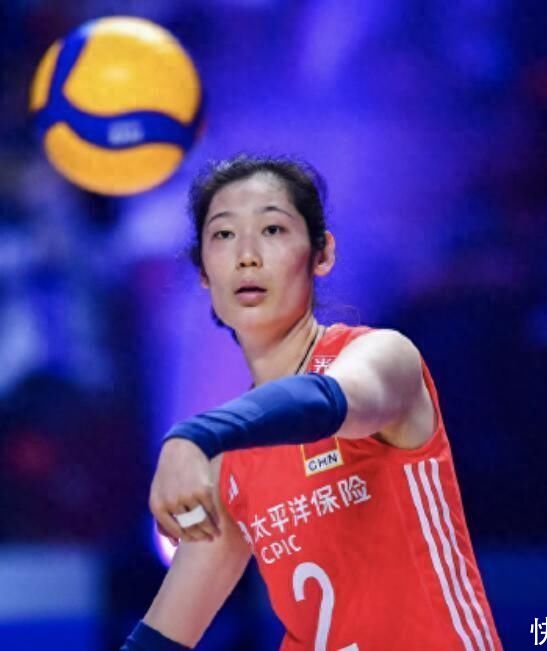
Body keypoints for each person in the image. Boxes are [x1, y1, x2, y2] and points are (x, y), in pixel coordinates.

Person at [122, 155, 502, 650]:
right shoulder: (228, 464)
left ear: (321, 254)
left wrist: (191, 436)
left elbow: (322, 400)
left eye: (273, 230)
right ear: (203, 274)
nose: (247, 255)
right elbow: (161, 640)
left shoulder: (384, 357)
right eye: (224, 235)